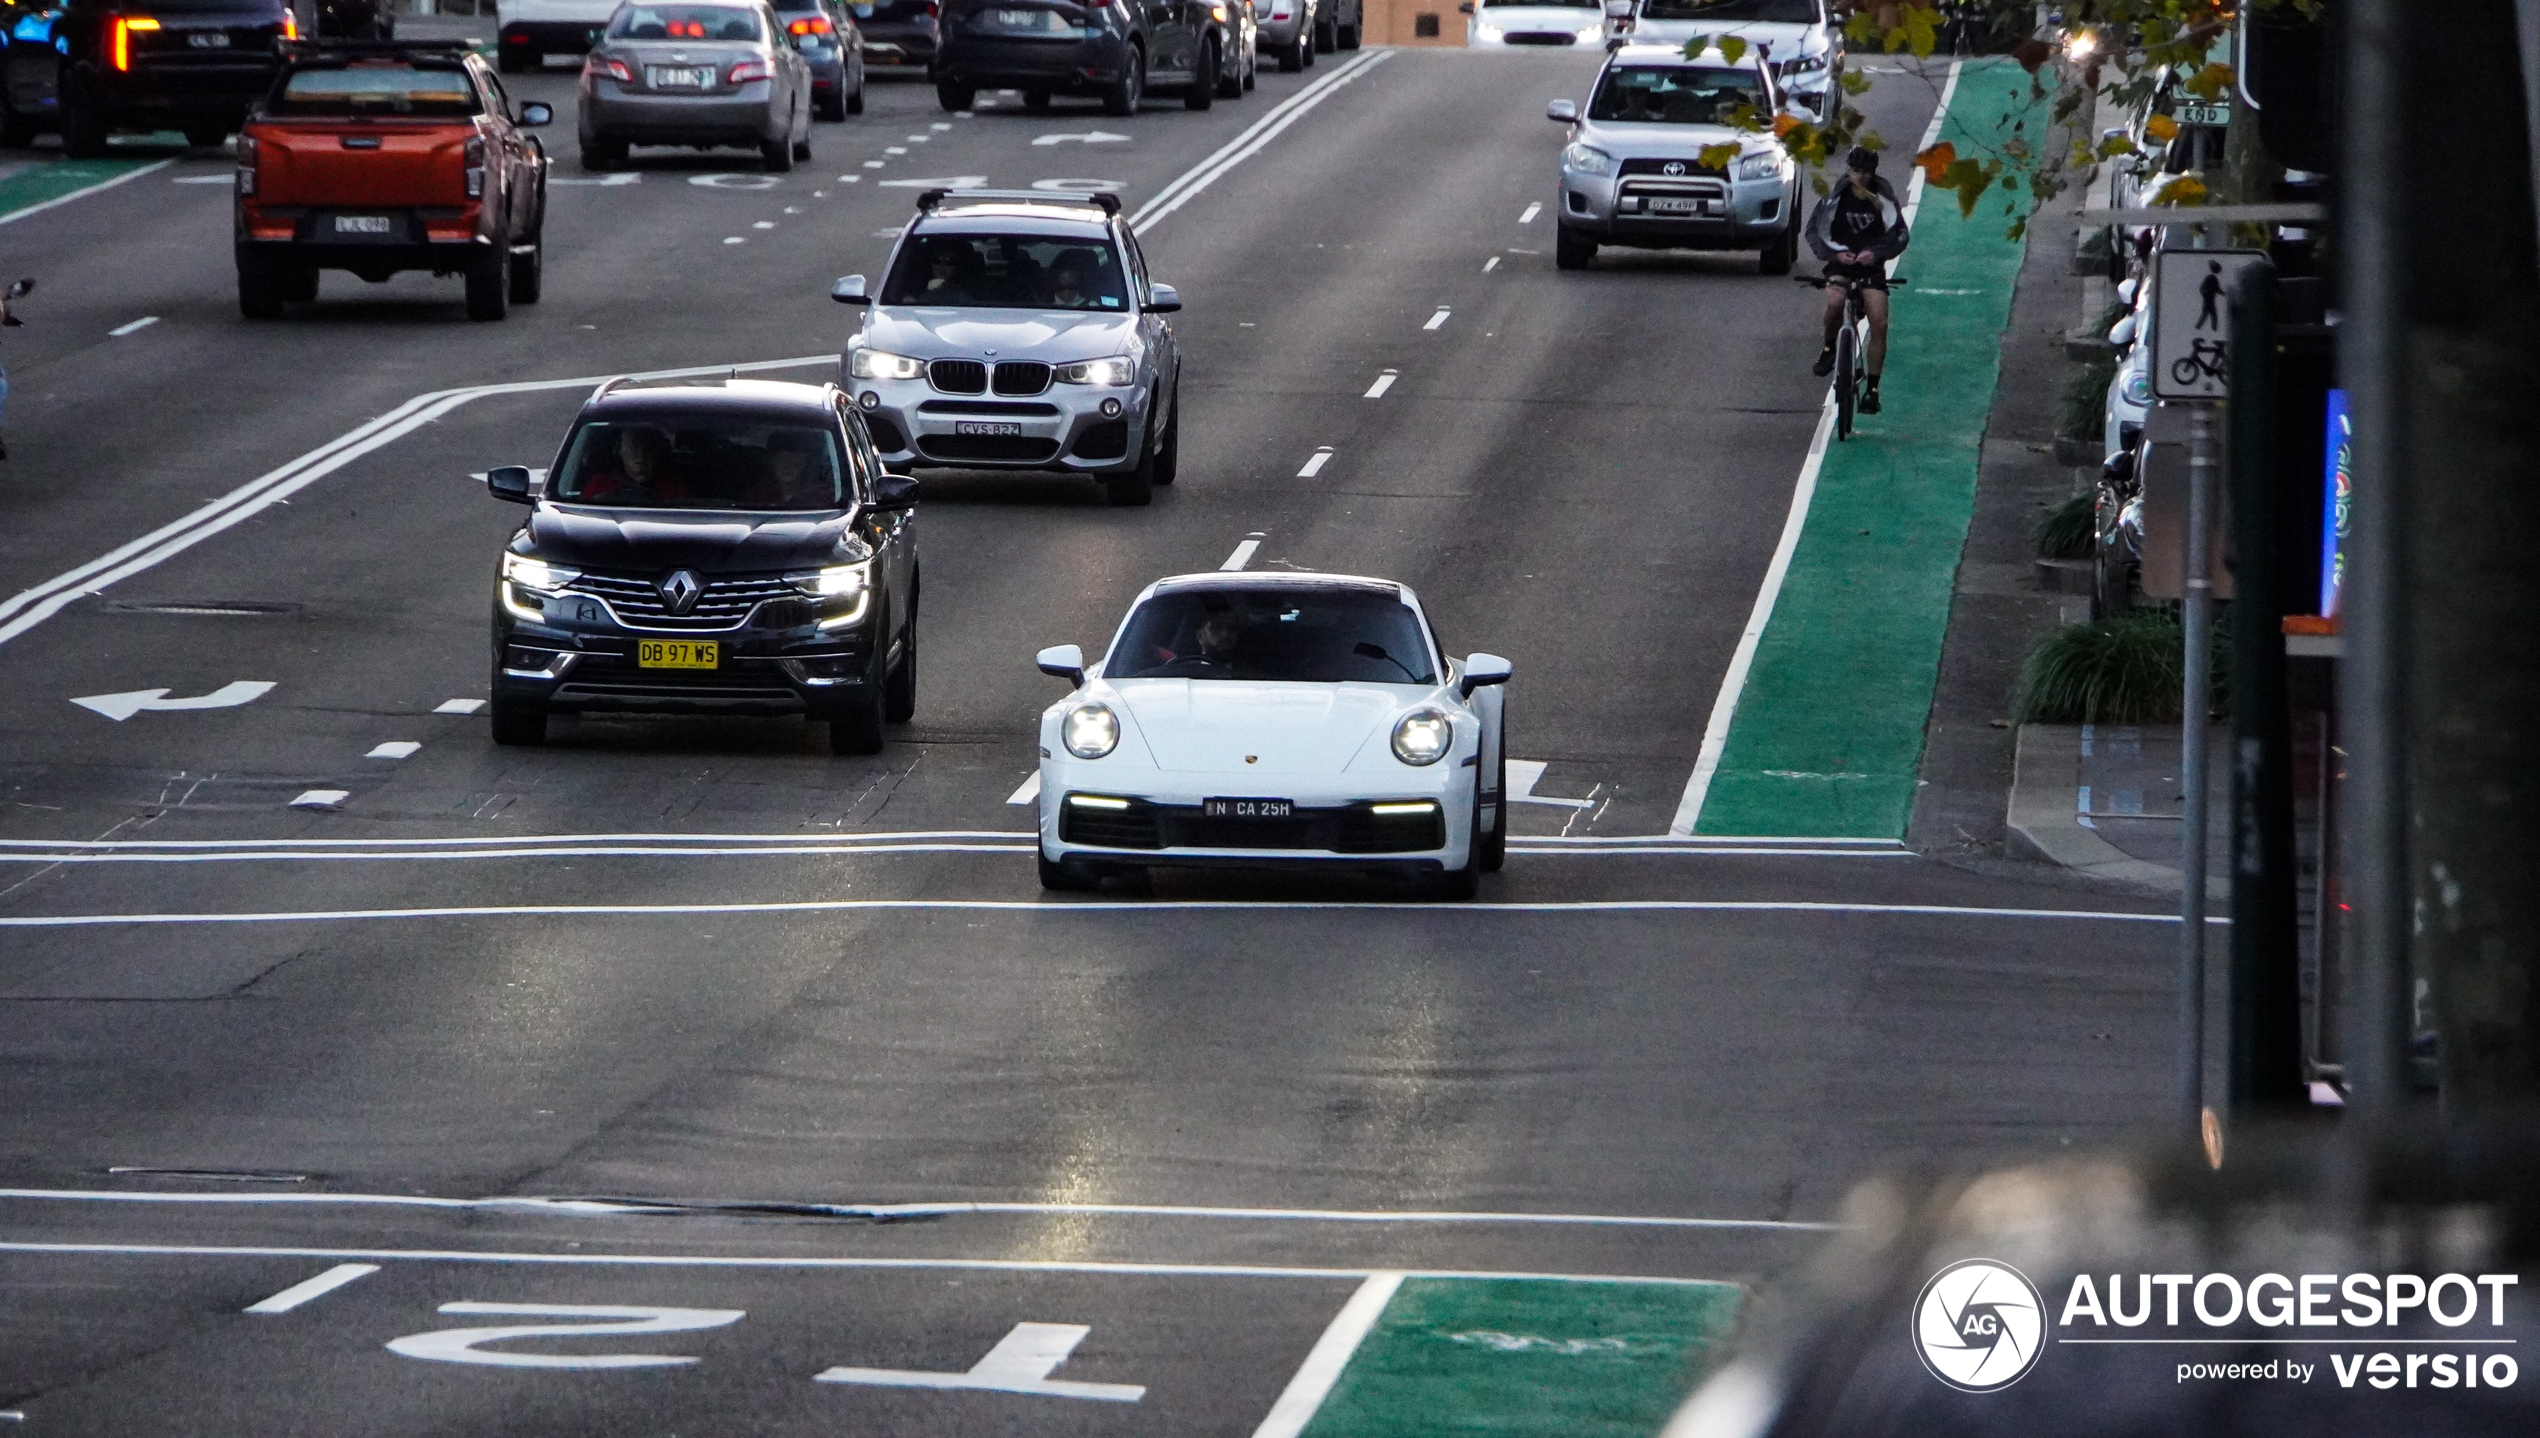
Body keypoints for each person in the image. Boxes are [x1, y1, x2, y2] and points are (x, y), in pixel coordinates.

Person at [1803, 145, 1912, 415]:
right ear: (1848, 171)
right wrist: (1836, 254)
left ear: (1873, 174)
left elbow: (1899, 235)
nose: (1860, 177)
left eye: (1865, 173)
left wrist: (1874, 254)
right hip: (1840, 265)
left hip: (1871, 270)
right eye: (1855, 171)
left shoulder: (1883, 199)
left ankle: (1872, 390)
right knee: (1834, 301)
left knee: (1880, 321)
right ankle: (1829, 347)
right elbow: (1813, 231)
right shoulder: (1833, 199)